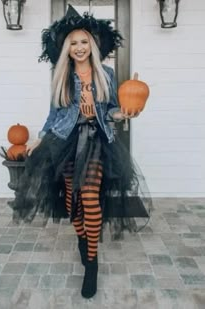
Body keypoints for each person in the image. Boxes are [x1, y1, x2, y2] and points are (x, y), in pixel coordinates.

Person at [12, 5, 152, 299]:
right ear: (66, 48)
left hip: (97, 140)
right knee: (75, 202)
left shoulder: (108, 74)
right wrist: (39, 139)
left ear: (93, 44)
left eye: (83, 41)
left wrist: (123, 115)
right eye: (73, 43)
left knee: (90, 197)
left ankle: (92, 264)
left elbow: (111, 109)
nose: (78, 47)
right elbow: (54, 115)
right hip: (64, 141)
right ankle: (81, 238)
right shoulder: (60, 75)